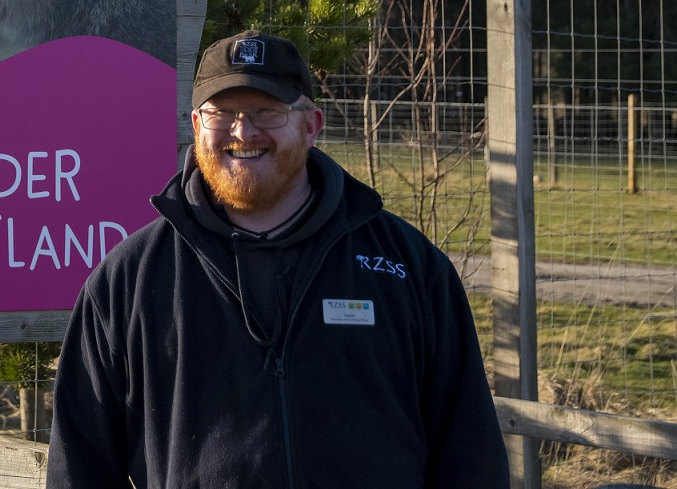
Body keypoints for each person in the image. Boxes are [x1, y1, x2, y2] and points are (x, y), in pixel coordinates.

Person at [46, 30, 509, 487]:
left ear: (312, 126)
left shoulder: (407, 268)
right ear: (196, 125)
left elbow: (471, 455)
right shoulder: (129, 281)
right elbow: (79, 466)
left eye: (267, 111)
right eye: (222, 114)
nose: (243, 131)